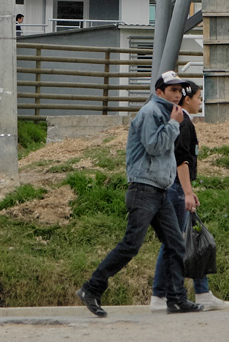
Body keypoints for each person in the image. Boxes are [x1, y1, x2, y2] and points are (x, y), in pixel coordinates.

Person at [77, 70, 203, 318]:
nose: (177, 95)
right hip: (143, 189)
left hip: (162, 191)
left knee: (176, 245)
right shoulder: (150, 113)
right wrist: (173, 125)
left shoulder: (168, 114)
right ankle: (91, 289)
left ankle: (177, 299)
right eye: (172, 91)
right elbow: (154, 146)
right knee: (131, 245)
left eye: (180, 91)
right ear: (159, 93)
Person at [150, 82, 228, 311]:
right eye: (198, 97)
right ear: (186, 99)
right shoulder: (182, 123)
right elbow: (181, 161)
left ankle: (188, 292)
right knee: (174, 243)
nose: (200, 101)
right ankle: (165, 295)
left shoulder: (183, 121)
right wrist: (188, 193)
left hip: (177, 188)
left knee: (177, 242)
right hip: (176, 189)